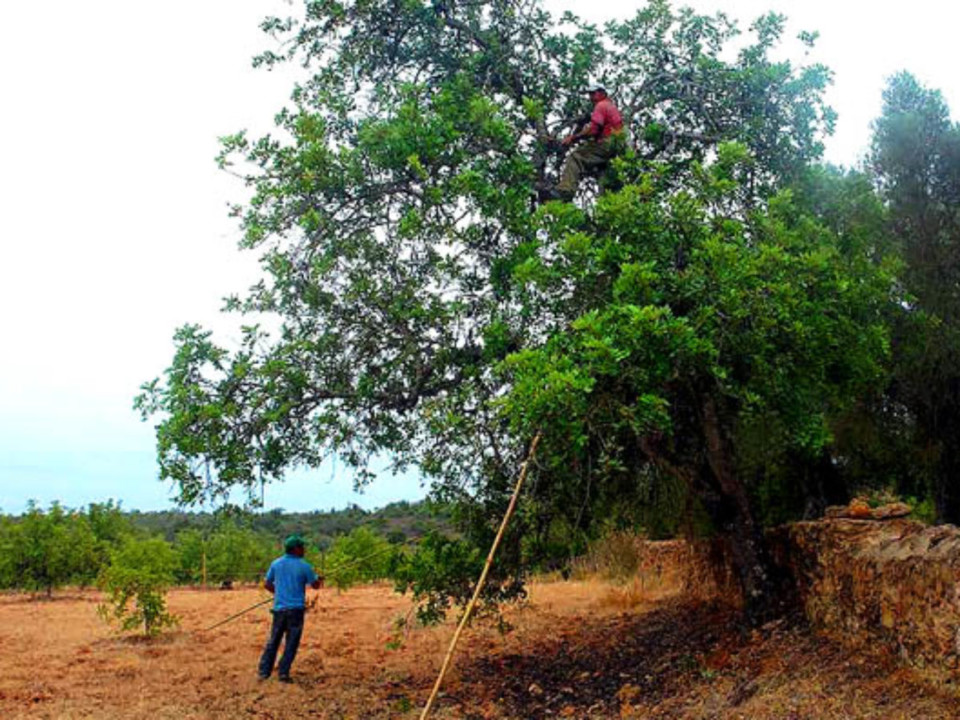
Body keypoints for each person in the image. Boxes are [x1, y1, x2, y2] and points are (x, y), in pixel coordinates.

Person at [542, 85, 625, 202]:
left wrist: (573, 138)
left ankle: (565, 191)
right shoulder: (611, 106)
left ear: (602, 93)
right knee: (604, 176)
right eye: (589, 94)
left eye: (593, 93)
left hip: (607, 144)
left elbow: (593, 129)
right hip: (617, 148)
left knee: (575, 157)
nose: (590, 97)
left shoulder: (601, 106)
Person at [257, 534, 322, 683]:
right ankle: (283, 673)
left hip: (279, 609)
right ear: (296, 549)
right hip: (296, 611)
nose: (304, 550)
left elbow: (267, 584)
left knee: (273, 640)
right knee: (291, 642)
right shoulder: (304, 566)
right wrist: (319, 579)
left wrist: (279, 593)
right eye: (302, 547)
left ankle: (263, 672)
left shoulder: (276, 564)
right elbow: (315, 585)